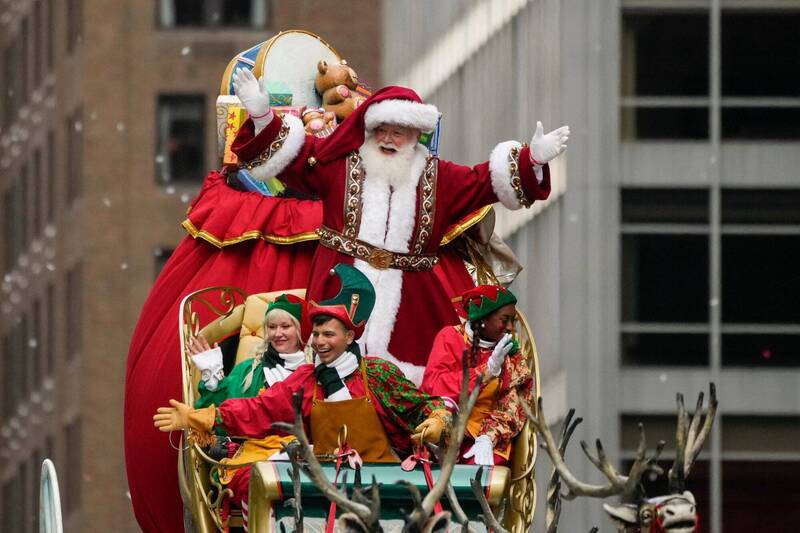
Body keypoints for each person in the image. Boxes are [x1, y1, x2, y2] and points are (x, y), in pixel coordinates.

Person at [229, 69, 569, 384]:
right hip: (339, 285)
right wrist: (262, 117)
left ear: (415, 135)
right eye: (383, 131)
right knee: (331, 376)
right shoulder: (340, 164)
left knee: (414, 379)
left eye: (399, 132)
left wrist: (532, 160)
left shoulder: (440, 177)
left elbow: (485, 182)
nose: (389, 140)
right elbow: (297, 158)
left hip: (412, 301)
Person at [153, 265, 451, 519]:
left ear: (349, 336)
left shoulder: (376, 373)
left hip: (383, 480)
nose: (320, 341)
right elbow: (259, 410)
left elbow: (422, 406)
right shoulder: (306, 380)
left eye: (329, 334)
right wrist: (202, 416)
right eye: (317, 334)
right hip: (327, 486)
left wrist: (437, 419)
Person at [183, 294, 310, 518]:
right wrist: (212, 376)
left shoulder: (315, 371)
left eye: (285, 326)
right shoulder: (249, 372)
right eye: (271, 327)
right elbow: (218, 419)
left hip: (304, 457)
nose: (277, 333)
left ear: (299, 330)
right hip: (255, 457)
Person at [420, 285, 533, 466]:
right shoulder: (450, 337)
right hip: (444, 433)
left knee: (485, 475)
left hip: (488, 441)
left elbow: (516, 405)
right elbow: (434, 386)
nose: (511, 327)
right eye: (504, 320)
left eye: (513, 321)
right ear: (483, 319)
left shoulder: (512, 356)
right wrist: (486, 370)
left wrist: (488, 437)